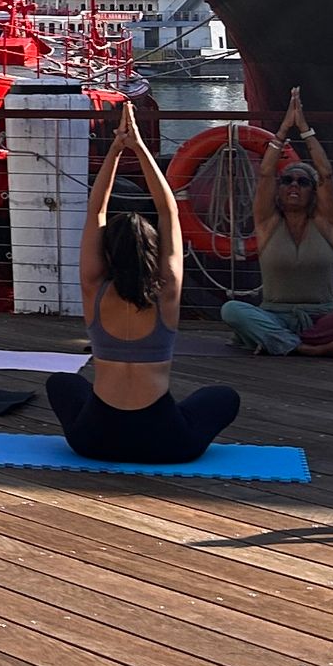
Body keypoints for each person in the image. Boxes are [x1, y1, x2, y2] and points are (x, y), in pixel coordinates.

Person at [55, 113, 242, 462]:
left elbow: (96, 212)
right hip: (166, 442)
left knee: (61, 384)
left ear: (108, 252)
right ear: (153, 252)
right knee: (223, 396)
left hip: (94, 439)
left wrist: (115, 151)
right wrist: (140, 148)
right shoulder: (167, 290)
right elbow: (168, 212)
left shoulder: (93, 288)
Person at [219, 89, 333, 356]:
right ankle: (307, 347)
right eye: (287, 181)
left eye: (303, 182)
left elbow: (325, 174)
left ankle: (284, 342)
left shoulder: (325, 224)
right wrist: (282, 131)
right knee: (232, 310)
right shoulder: (267, 223)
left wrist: (304, 129)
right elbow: (266, 173)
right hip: (275, 314)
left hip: (321, 316)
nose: (294, 185)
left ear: (313, 192)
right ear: (278, 190)